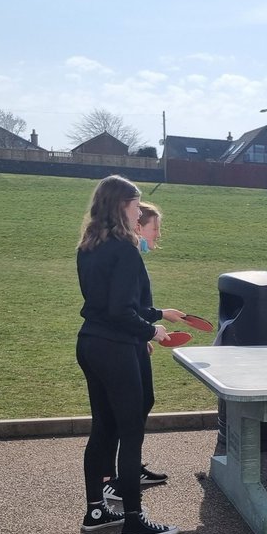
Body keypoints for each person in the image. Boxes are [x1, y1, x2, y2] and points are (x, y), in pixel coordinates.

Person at [76, 175, 187, 534]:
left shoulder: (88, 245)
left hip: (90, 344)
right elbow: (122, 311)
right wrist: (150, 331)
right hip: (115, 348)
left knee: (103, 429)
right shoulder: (124, 250)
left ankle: (96, 510)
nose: (140, 213)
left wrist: (150, 321)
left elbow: (111, 306)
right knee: (130, 431)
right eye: (136, 206)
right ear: (120, 206)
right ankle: (134, 519)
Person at [102, 200, 169, 503]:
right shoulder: (127, 257)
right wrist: (150, 329)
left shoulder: (131, 256)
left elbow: (133, 308)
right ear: (138, 226)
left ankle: (129, 468)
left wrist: (148, 329)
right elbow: (124, 309)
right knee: (123, 413)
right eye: (155, 228)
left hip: (133, 340)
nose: (158, 234)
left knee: (142, 403)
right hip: (121, 344)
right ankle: (114, 479)